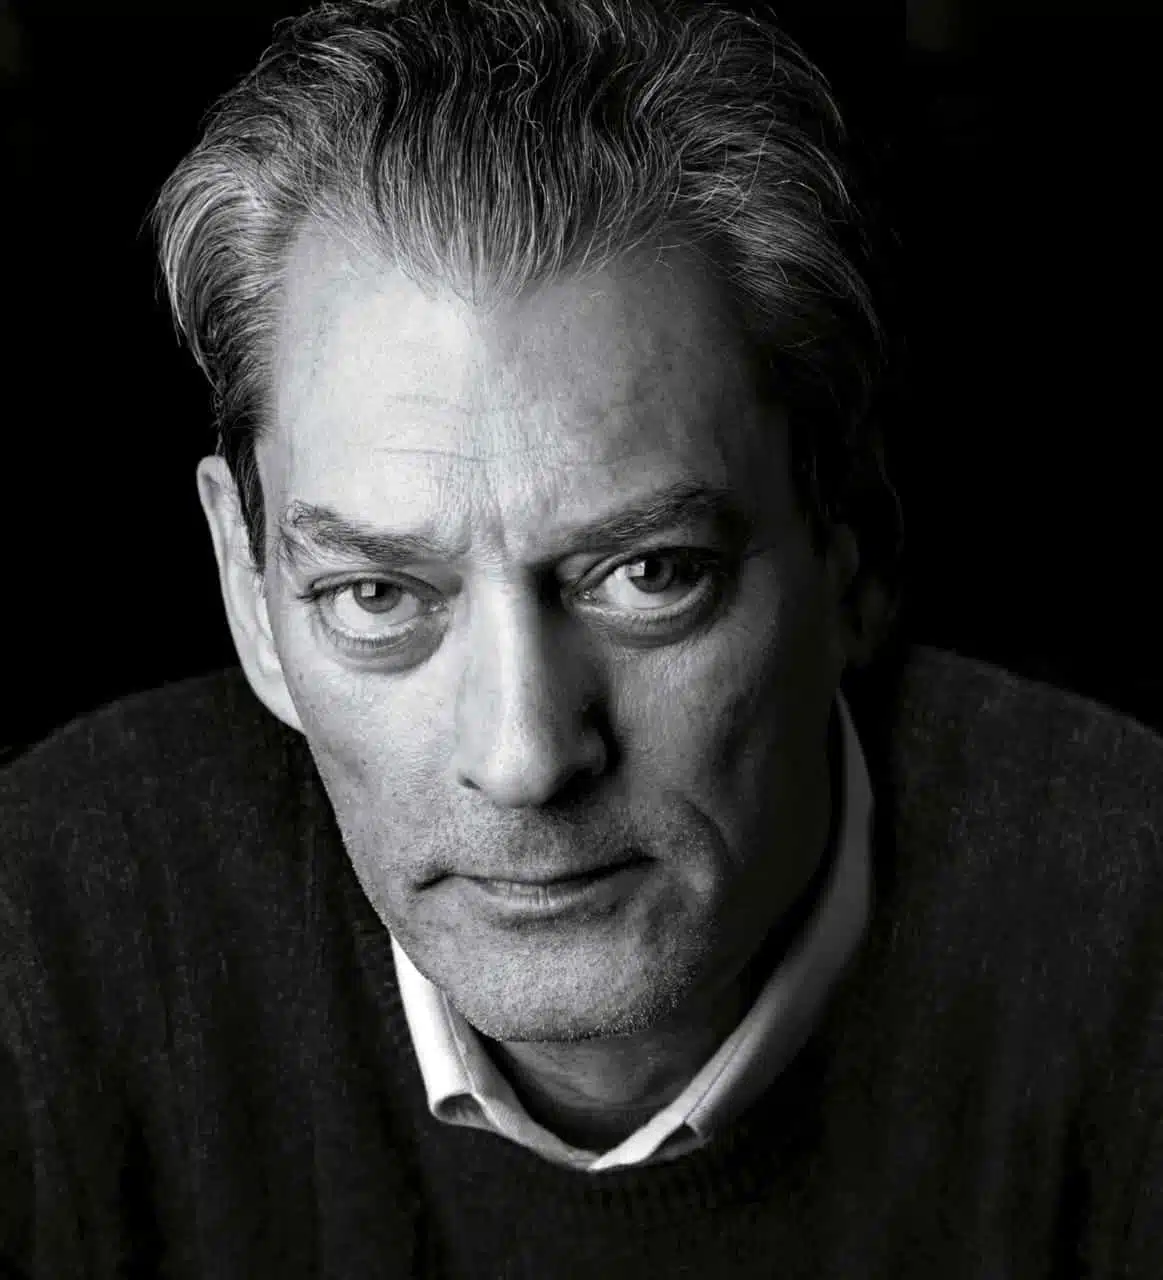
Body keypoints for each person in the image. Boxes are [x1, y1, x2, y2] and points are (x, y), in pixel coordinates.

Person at [1, 1, 1159, 1275]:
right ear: (248, 586)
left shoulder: (1128, 937)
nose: (525, 756)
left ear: (848, 550)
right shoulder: (45, 938)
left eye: (647, 575)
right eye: (377, 595)